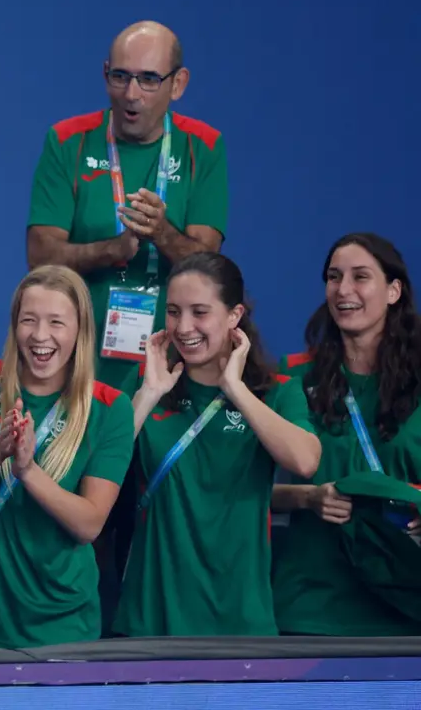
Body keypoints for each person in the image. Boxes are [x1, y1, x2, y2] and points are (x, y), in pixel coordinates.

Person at [113, 252, 321, 637]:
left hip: (239, 617)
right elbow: (100, 469)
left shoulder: (275, 392)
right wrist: (149, 393)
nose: (183, 326)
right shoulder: (147, 385)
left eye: (199, 312)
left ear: (233, 316)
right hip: (151, 615)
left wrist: (236, 390)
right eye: (174, 312)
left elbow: (305, 461)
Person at [0, 266, 134, 648]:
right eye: (29, 320)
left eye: (57, 322)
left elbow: (89, 523)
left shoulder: (110, 408)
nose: (40, 336)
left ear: (80, 330)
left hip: (63, 629)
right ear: (14, 325)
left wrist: (27, 470)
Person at [25, 21, 227, 391]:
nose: (131, 94)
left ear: (177, 84)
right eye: (120, 77)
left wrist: (162, 234)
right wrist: (112, 250)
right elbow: (40, 255)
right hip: (79, 359)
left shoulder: (204, 146)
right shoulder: (68, 140)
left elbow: (209, 270)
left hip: (172, 358)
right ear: (105, 75)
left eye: (149, 79)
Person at [273, 233, 421, 636]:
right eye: (334, 277)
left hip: (406, 605)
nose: (344, 290)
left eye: (361, 277)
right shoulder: (294, 378)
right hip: (312, 606)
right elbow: (237, 490)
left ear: (393, 291)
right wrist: (307, 497)